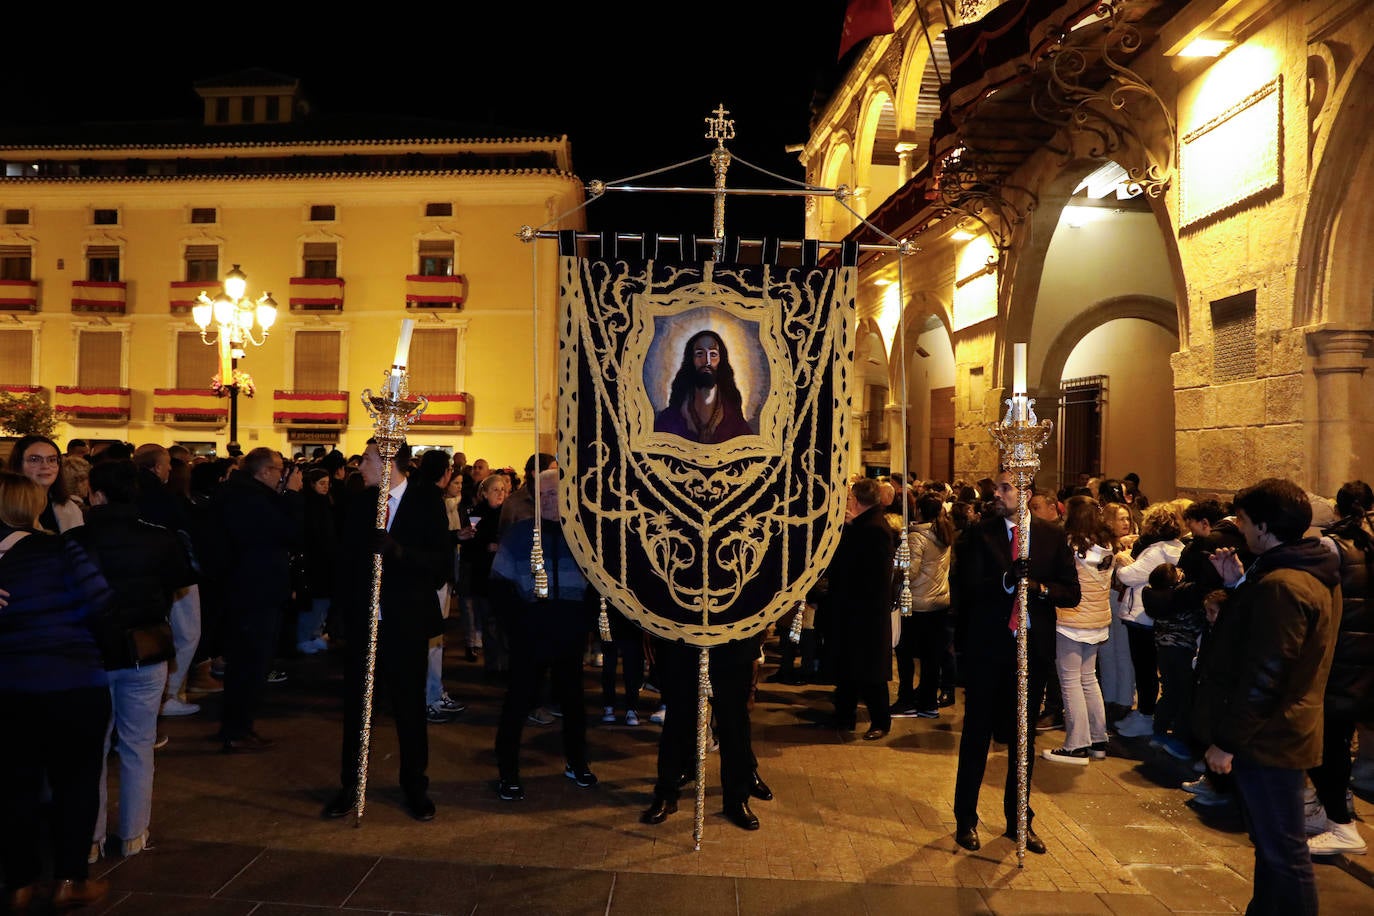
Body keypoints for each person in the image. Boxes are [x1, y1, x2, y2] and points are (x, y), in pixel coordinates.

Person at [1193, 478, 1340, 916]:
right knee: (1272, 847)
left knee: (1284, 853)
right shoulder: (1303, 572)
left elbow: (1267, 672)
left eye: (1242, 520)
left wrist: (1228, 742)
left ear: (1263, 525)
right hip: (1282, 730)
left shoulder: (1283, 584)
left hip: (1271, 737)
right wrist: (1237, 587)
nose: (1238, 529)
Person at [70, 460, 195, 863]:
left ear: (96, 494)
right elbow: (178, 582)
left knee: (91, 748)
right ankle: (133, 835)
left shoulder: (74, 540)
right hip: (146, 650)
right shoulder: (160, 539)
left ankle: (89, 839)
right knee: (139, 745)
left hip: (90, 652)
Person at [0, 471, 113, 911]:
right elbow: (101, 603)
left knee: (15, 785)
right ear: (29, 507)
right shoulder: (61, 549)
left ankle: (20, 882)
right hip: (72, 682)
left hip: (10, 688)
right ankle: (70, 877)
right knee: (77, 781)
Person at [951, 470, 1079, 855]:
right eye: (1000, 487)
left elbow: (1070, 592)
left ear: (1026, 492)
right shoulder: (979, 533)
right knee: (977, 734)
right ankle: (965, 819)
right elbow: (965, 587)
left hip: (1030, 650)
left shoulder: (1052, 535)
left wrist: (1038, 588)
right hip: (989, 647)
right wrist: (1006, 581)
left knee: (1023, 738)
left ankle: (1019, 819)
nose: (999, 493)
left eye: (1007, 487)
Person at [325, 440, 451, 822]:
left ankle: (415, 786)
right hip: (366, 622)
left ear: (388, 462)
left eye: (366, 459)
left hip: (406, 623)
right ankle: (351, 784)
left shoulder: (426, 500)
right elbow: (345, 563)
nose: (358, 466)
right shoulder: (362, 502)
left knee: (409, 708)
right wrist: (340, 614)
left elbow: (442, 564)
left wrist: (399, 552)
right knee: (358, 708)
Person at [490, 468, 597, 802]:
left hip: (568, 630)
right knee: (518, 702)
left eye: (558, 494)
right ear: (535, 499)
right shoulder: (519, 535)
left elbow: (597, 586)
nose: (552, 501)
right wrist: (517, 625)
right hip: (531, 631)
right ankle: (507, 772)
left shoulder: (581, 537)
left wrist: (585, 621)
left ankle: (577, 762)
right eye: (546, 495)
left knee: (574, 703)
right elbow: (500, 586)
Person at [207, 448, 303, 752]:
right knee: (251, 663)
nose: (281, 476)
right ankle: (237, 729)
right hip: (254, 592)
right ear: (263, 472)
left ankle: (237, 725)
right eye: (278, 470)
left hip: (248, 589)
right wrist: (293, 496)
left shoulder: (241, 495)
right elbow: (287, 531)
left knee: (246, 663)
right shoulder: (250, 499)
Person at [1307, 481, 1374, 856]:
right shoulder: (1363, 542)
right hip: (1361, 660)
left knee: (1327, 744)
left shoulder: (1332, 547)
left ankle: (1342, 824)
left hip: (1341, 659)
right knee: (1336, 740)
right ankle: (1333, 813)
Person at [1042, 495, 1113, 765]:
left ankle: (1076, 744)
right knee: (1089, 679)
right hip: (1097, 620)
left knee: (1070, 681)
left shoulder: (1071, 545)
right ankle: (1098, 739)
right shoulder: (1107, 546)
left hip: (1072, 620)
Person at [823, 478, 896, 739]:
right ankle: (844, 716)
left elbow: (869, 573)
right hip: (854, 610)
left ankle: (880, 721)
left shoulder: (874, 529)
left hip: (866, 613)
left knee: (871, 672)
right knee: (850, 668)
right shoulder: (863, 525)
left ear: (856, 499)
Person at [891, 493, 955, 718]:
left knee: (905, 653)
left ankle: (906, 699)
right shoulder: (943, 533)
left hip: (917, 603)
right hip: (938, 601)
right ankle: (928, 703)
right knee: (931, 657)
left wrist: (897, 565)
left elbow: (910, 572)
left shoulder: (917, 537)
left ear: (918, 511)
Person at [653, 330, 754, 443]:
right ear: (691, 360)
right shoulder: (670, 419)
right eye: (700, 354)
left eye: (713, 354)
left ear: (721, 361)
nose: (707, 361)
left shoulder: (735, 422)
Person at [8, 434, 84, 533]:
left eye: (52, 460)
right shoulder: (6, 507)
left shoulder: (70, 507)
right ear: (18, 464)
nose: (45, 466)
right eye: (34, 459)